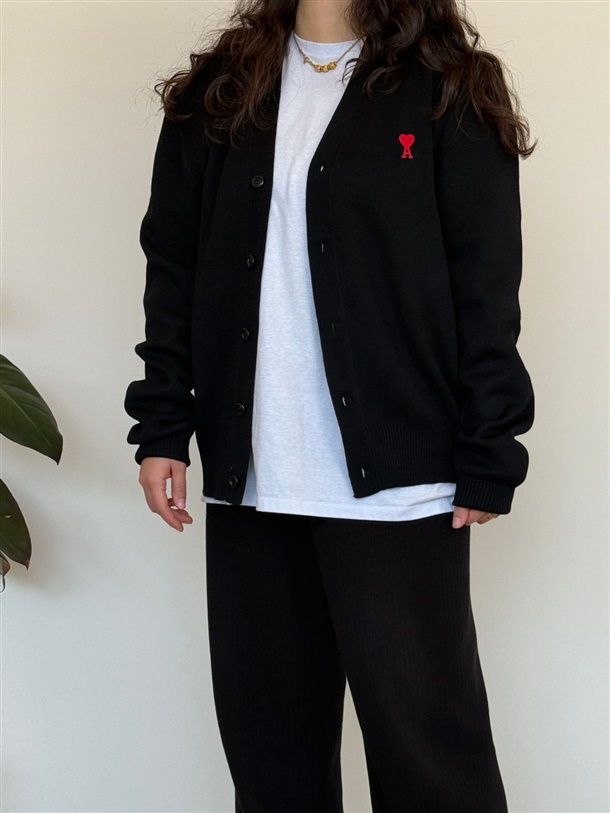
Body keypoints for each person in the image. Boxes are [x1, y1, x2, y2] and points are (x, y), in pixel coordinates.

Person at [124, 0, 536, 809]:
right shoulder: (221, 91)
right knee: (274, 770)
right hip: (253, 483)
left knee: (432, 764)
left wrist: (491, 449)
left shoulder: (448, 88)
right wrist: (163, 426)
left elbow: (487, 286)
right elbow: (172, 270)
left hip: (400, 490)